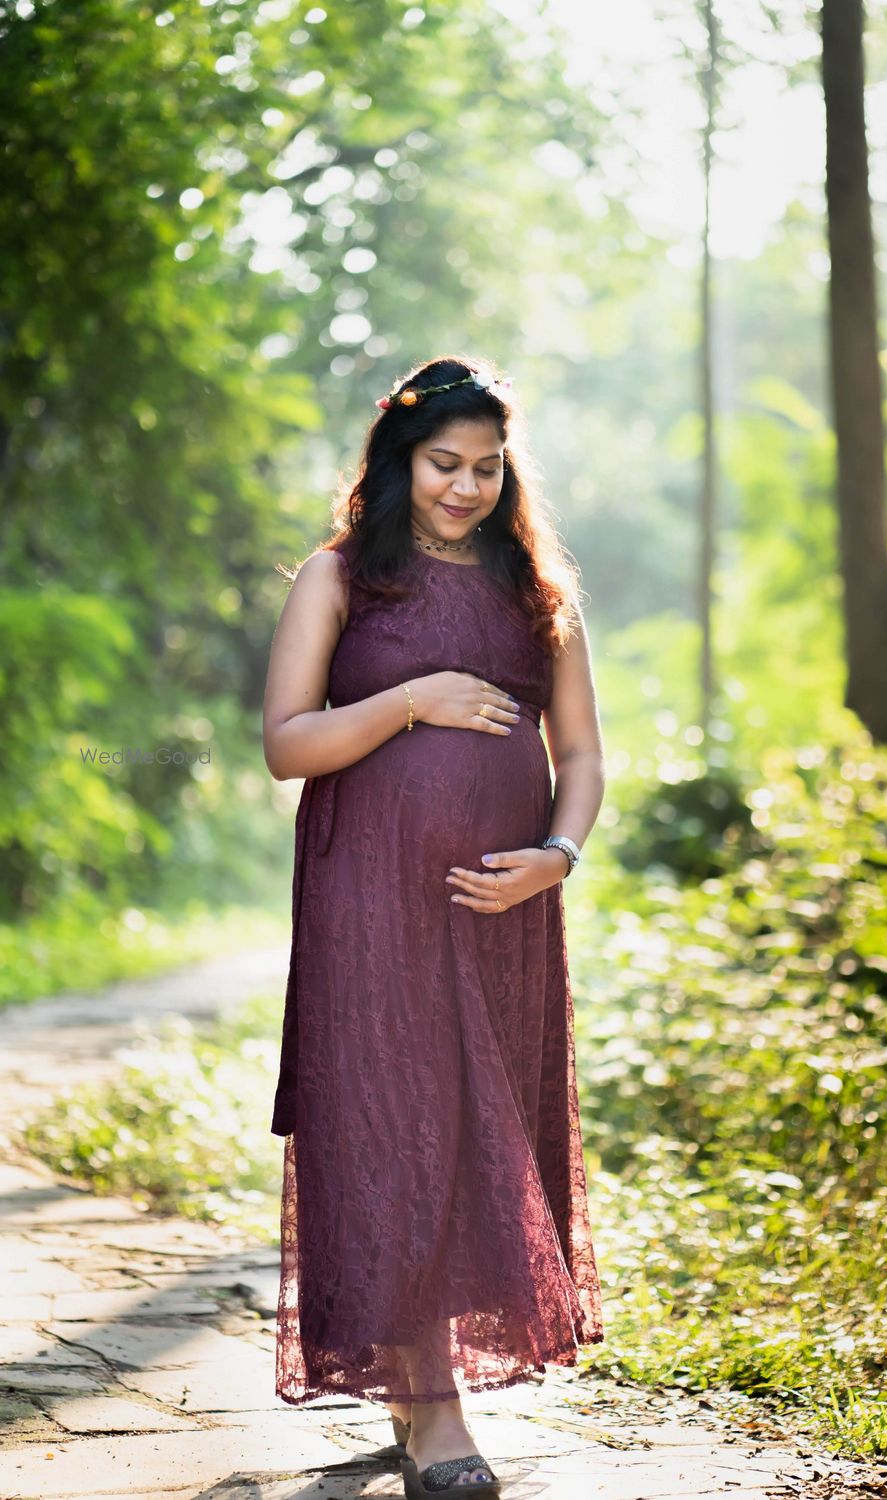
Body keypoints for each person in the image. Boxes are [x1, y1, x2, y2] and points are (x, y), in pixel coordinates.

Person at [261, 354, 605, 1499]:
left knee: (469, 1131)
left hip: (505, 914)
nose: (465, 487)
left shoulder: (536, 591)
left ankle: (417, 1398)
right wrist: (411, 700)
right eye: (443, 464)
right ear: (398, 463)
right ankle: (437, 1413)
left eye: (487, 468)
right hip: (370, 903)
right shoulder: (342, 577)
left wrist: (553, 862)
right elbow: (287, 743)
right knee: (390, 1124)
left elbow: (585, 757)